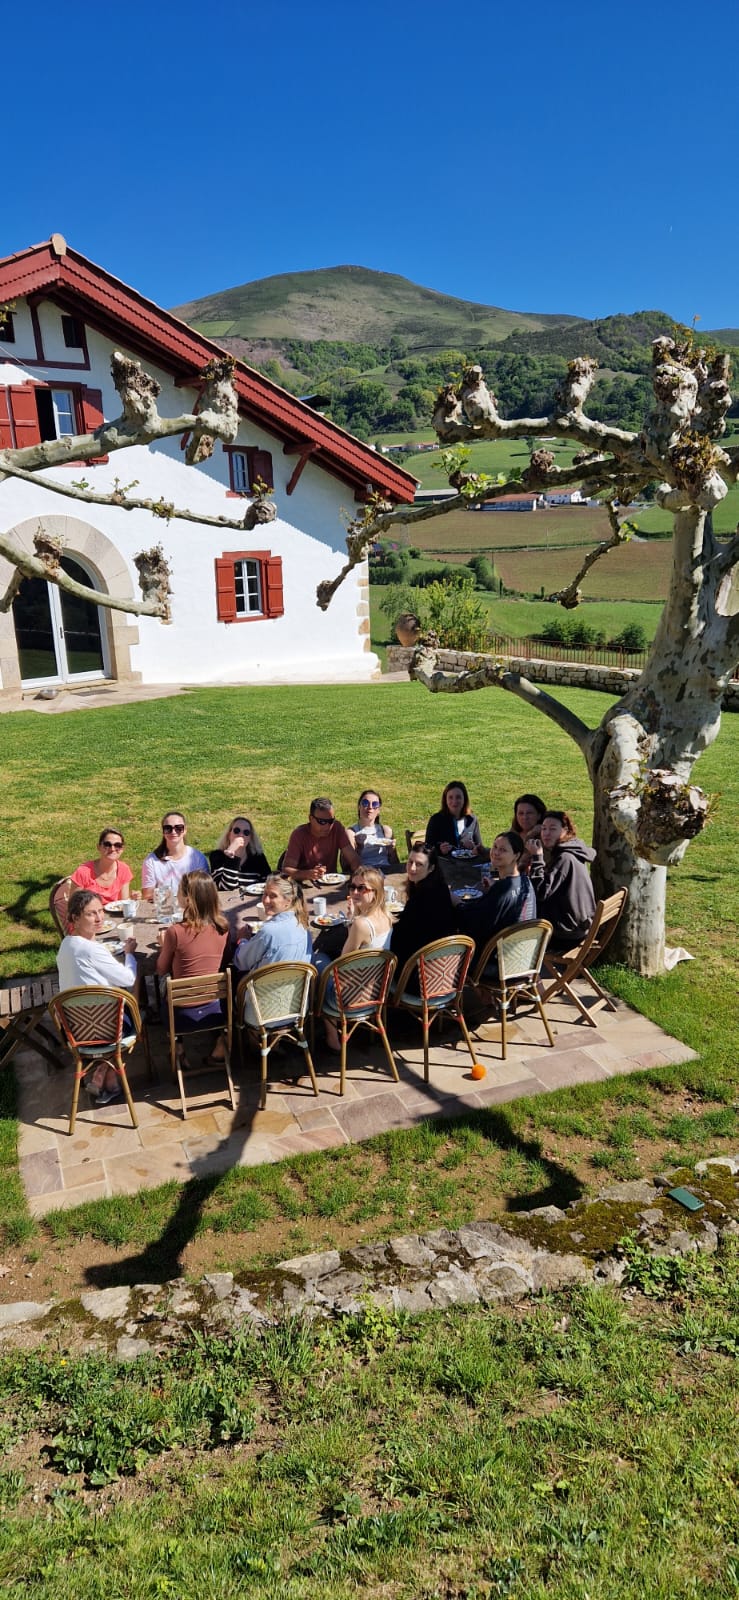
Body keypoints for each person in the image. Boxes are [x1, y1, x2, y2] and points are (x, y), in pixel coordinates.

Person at [207, 876, 312, 1049]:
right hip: (297, 1008)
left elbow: (241, 961)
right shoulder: (303, 926)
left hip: (261, 1012)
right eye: (264, 894)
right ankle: (263, 1041)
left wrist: (242, 940)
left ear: (288, 901)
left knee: (229, 978)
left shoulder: (269, 931)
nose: (265, 900)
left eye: (272, 896)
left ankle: (226, 1041)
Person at [56, 888, 138, 1104]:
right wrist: (129, 954)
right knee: (138, 1009)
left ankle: (105, 1075)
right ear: (75, 917)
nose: (99, 917)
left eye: (100, 911)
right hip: (108, 1031)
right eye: (91, 913)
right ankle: (109, 1073)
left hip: (75, 1031)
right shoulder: (93, 951)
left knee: (116, 1004)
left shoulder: (65, 946)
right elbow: (128, 978)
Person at [156, 870, 230, 1067]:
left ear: (188, 899)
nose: (177, 895)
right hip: (216, 1010)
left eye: (179, 891)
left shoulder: (176, 932)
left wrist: (165, 946)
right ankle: (220, 1042)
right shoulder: (223, 928)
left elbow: (161, 968)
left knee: (162, 985)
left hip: (181, 1016)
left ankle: (178, 1047)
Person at [320, 867, 393, 1049]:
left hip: (349, 998)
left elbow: (341, 962)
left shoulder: (361, 925)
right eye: (352, 887)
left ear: (375, 892)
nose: (355, 892)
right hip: (376, 991)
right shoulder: (387, 916)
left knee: (318, 961)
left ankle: (332, 1036)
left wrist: (353, 921)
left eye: (362, 888)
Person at [456, 831, 537, 959]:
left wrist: (456, 902)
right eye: (494, 847)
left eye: (503, 850)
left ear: (516, 855)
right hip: (523, 960)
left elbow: (476, 923)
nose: (496, 852)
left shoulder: (502, 889)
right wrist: (494, 887)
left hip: (497, 963)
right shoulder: (526, 882)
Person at [527, 811, 596, 948]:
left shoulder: (564, 857)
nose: (546, 833)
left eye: (553, 829)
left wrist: (537, 858)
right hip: (580, 924)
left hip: (566, 933)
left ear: (566, 831)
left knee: (517, 922)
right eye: (544, 829)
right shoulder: (574, 849)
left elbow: (540, 892)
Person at [390, 842, 456, 984]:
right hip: (445, 972)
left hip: (419, 977)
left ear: (431, 868)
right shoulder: (442, 889)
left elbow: (398, 938)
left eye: (419, 864)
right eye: (410, 862)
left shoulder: (420, 899)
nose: (412, 868)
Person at [283, 797, 360, 882]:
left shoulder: (337, 828)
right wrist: (308, 874)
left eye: (331, 821)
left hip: (331, 883)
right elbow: (286, 871)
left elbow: (353, 859)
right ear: (311, 818)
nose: (327, 826)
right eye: (322, 822)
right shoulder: (299, 835)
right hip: (304, 885)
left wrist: (359, 875)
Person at [141, 811, 210, 902]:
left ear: (185, 830)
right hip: (164, 909)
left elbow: (205, 889)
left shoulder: (197, 857)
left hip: (192, 906)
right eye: (168, 828)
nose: (173, 832)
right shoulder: (151, 861)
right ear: (163, 831)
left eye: (179, 828)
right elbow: (147, 894)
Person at [71, 827, 134, 907]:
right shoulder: (83, 872)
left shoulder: (124, 869)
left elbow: (124, 903)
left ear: (122, 849)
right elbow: (73, 907)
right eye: (107, 844)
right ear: (99, 847)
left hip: (115, 918)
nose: (112, 849)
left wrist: (132, 899)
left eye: (118, 845)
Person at [209, 816, 271, 891]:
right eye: (237, 831)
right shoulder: (217, 856)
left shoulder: (258, 858)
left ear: (250, 838)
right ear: (229, 835)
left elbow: (268, 884)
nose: (241, 835)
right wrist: (231, 854)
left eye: (246, 832)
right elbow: (225, 888)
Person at [425, 781, 484, 857]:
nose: (454, 801)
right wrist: (439, 850)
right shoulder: (436, 820)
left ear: (464, 799)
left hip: (468, 863)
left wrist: (473, 847)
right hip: (445, 864)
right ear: (445, 800)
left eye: (458, 797)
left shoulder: (472, 819)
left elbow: (480, 847)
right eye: (450, 797)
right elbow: (427, 849)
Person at [348, 790, 400, 871]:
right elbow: (348, 867)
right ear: (359, 806)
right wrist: (359, 848)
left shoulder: (386, 831)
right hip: (364, 873)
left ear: (378, 810)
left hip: (386, 871)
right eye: (365, 803)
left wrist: (391, 851)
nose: (370, 807)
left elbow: (396, 865)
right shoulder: (352, 833)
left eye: (375, 804)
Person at [510, 793, 548, 872]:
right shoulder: (514, 833)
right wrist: (484, 852)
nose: (524, 817)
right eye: (521, 813)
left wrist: (530, 836)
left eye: (529, 813)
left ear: (539, 815)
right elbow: (500, 855)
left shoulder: (545, 837)